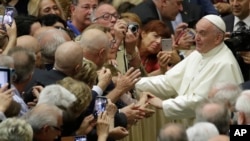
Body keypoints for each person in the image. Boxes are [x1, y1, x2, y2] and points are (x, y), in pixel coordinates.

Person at [135, 15, 243, 125]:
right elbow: (169, 82)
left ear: (218, 38)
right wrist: (134, 84)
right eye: (196, 32)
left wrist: (163, 104)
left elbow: (201, 102)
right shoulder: (198, 54)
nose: (196, 38)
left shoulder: (225, 64)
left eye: (203, 33)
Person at [223, 0, 250, 81]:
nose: (235, 4)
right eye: (231, 0)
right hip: (228, 79)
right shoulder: (222, 23)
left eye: (240, 0)